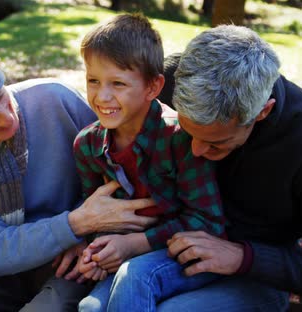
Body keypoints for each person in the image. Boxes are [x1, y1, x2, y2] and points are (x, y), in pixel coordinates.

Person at [0, 43, 158, 312]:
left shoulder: (55, 100)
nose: (6, 118)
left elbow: (124, 176)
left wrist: (89, 235)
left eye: (0, 96)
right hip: (8, 266)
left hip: (77, 259)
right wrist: (77, 223)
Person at [156, 25, 302, 311]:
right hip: (166, 253)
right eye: (187, 131)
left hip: (253, 279)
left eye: (216, 143)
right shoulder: (172, 79)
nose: (196, 150)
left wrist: (242, 257)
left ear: (262, 112)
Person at [73, 14, 226, 312]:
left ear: (153, 87)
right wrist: (97, 252)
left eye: (118, 83)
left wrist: (135, 244)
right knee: (89, 308)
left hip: (184, 254)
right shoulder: (88, 145)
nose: (102, 95)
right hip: (129, 255)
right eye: (93, 80)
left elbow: (208, 222)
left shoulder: (179, 138)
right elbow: (96, 217)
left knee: (136, 282)